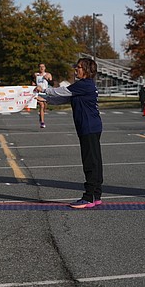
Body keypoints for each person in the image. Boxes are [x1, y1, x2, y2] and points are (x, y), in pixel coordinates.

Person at [35, 57, 103, 209]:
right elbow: (65, 98)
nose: (75, 69)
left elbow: (63, 91)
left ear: (86, 70)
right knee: (94, 160)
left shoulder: (84, 84)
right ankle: (96, 195)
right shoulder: (82, 87)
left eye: (78, 67)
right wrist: (46, 100)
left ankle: (89, 196)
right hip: (89, 127)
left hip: (89, 127)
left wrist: (45, 90)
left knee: (91, 162)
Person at [33, 63, 53, 128]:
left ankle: (41, 115)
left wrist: (47, 79)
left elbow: (52, 83)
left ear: (45, 68)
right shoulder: (36, 75)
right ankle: (42, 122)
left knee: (45, 106)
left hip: (45, 93)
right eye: (40, 67)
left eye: (43, 67)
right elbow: (32, 81)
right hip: (38, 93)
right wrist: (33, 83)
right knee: (41, 105)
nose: (41, 68)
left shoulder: (48, 74)